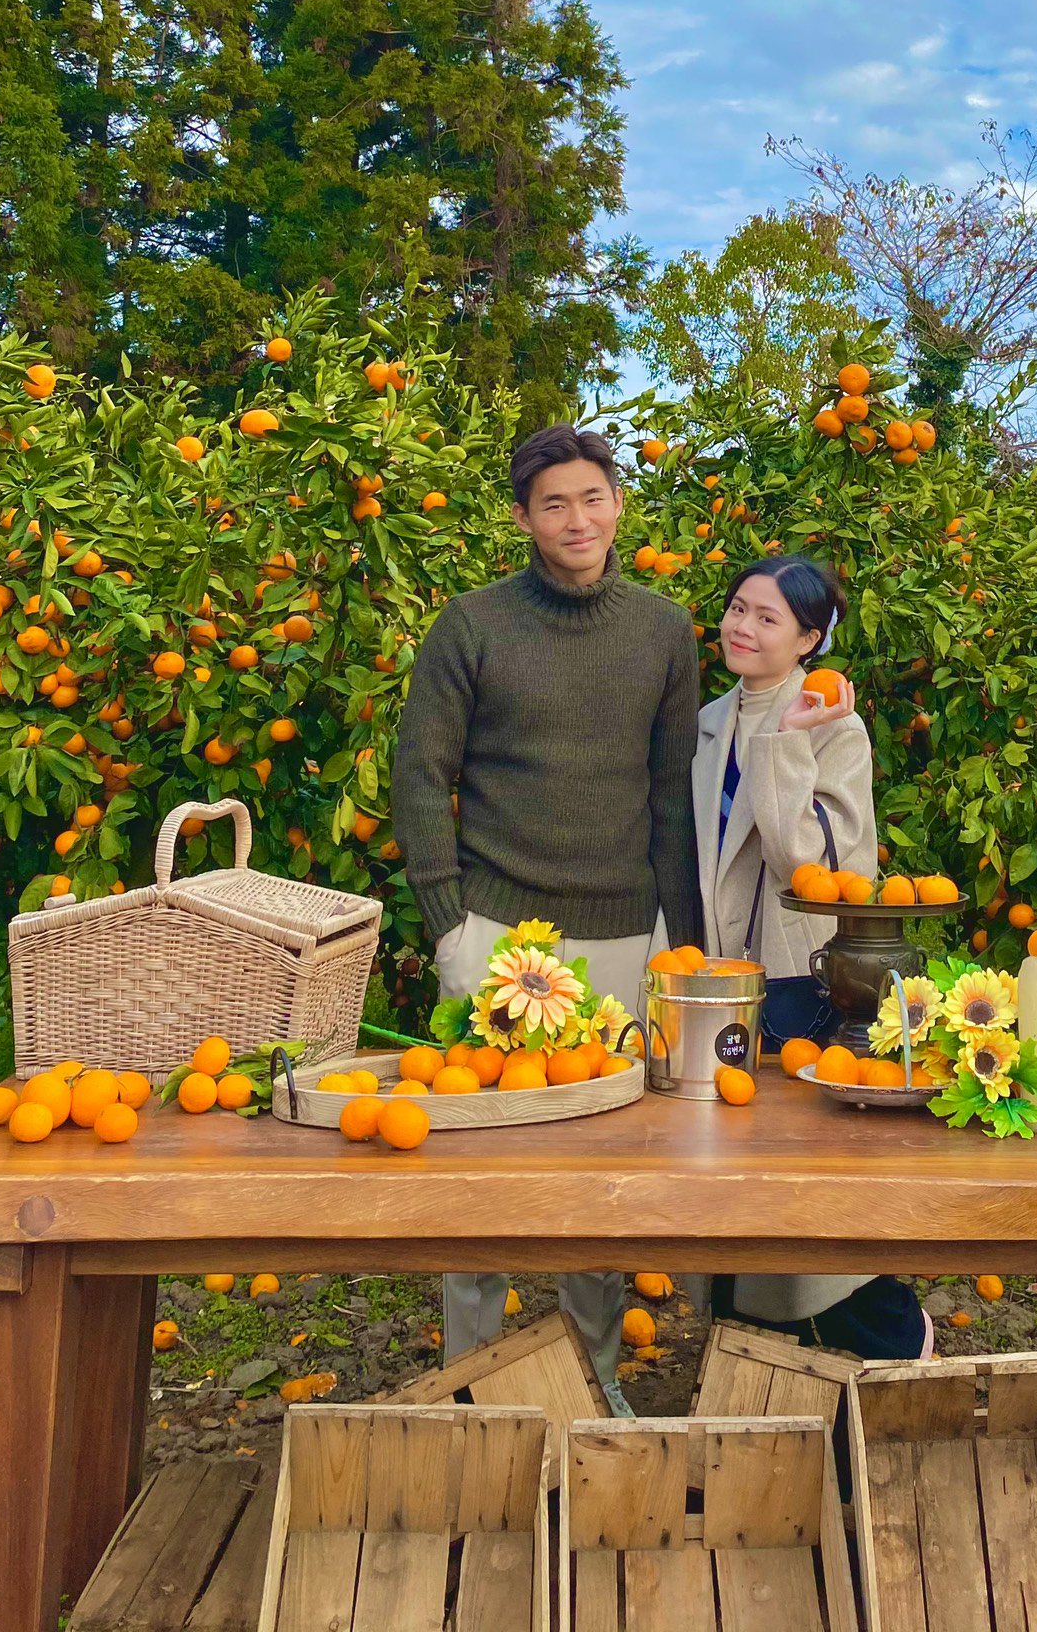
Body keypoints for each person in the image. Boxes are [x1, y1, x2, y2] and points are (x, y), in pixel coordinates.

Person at [392, 423, 702, 1402]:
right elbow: (419, 774)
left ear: (619, 505)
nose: (579, 519)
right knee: (475, 1170)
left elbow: (672, 790)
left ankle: (593, 1376)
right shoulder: (472, 626)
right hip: (496, 928)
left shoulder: (664, 630)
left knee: (598, 1178)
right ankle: (468, 1381)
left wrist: (680, 941)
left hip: (621, 933)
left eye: (594, 498)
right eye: (555, 503)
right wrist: (447, 924)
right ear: (524, 517)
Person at [690, 553, 930, 1361]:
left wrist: (787, 744)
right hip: (718, 975)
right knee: (729, 1184)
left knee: (805, 1186)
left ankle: (892, 1340)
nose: (742, 627)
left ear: (809, 640)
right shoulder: (709, 718)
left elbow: (817, 863)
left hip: (796, 973)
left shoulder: (833, 725)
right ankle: (754, 1370)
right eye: (737, 608)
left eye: (767, 618)